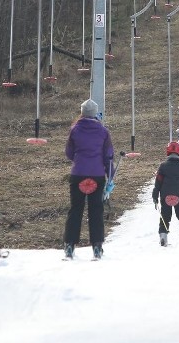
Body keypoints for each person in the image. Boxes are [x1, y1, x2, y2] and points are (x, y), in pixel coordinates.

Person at [63, 98, 115, 260]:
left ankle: (70, 245)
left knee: (75, 209)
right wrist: (110, 178)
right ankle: (97, 246)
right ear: (95, 114)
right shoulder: (103, 132)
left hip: (78, 175)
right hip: (97, 175)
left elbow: (69, 153)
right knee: (96, 210)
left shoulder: (75, 129)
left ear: (82, 112)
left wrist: (80, 160)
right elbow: (109, 157)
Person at [152, 141, 179, 246]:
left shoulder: (163, 166)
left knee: (165, 216)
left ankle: (163, 237)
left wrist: (155, 196)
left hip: (165, 196)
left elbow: (158, 182)